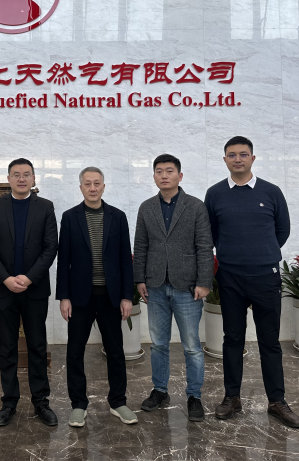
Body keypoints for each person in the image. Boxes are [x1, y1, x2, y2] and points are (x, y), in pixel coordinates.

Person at [204, 136, 299, 429]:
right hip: (230, 278)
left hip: (265, 277)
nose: (238, 159)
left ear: (252, 158)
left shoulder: (271, 192)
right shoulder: (215, 194)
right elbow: (211, 233)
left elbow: (282, 230)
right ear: (225, 159)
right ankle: (231, 397)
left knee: (269, 342)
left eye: (243, 154)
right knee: (232, 339)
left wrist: (262, 253)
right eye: (232, 155)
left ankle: (277, 401)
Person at [133, 153, 213, 422]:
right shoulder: (146, 208)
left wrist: (204, 282)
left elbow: (205, 246)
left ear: (180, 176)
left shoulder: (196, 206)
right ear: (154, 176)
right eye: (159, 171)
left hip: (187, 287)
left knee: (191, 346)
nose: (164, 175)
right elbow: (140, 246)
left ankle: (194, 396)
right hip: (155, 286)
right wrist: (140, 279)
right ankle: (160, 390)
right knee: (158, 344)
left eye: (169, 171)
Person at [56, 167, 137, 428]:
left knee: (115, 351)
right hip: (80, 297)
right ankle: (78, 405)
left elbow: (125, 259)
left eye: (97, 183)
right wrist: (64, 297)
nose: (93, 188)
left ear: (104, 186)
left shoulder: (118, 216)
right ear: (80, 187)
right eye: (88, 183)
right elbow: (63, 259)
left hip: (111, 297)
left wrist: (127, 297)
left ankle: (118, 402)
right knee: (75, 352)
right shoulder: (70, 217)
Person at [0, 158, 59, 427]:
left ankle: (41, 401)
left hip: (34, 289)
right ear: (9, 179)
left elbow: (51, 247)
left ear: (34, 178)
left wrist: (28, 277)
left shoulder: (45, 207)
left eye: (27, 174)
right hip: (4, 290)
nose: (22, 178)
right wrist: (5, 279)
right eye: (16, 174)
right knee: (7, 347)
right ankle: (9, 402)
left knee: (37, 346)